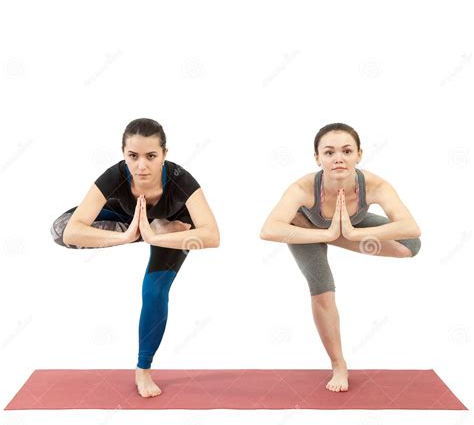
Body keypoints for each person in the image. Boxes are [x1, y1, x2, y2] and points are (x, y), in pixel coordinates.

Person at [50, 118, 220, 398]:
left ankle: (143, 370)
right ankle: (143, 229)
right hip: (127, 221)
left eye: (151, 156)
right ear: (123, 155)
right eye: (133, 156)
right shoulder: (114, 177)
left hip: (174, 231)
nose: (142, 166)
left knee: (154, 293)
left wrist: (156, 238)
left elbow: (212, 236)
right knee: (59, 229)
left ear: (164, 154)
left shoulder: (181, 181)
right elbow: (71, 232)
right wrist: (129, 236)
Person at [260, 123, 421, 392]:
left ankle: (336, 234)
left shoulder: (373, 184)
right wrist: (326, 232)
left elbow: (411, 228)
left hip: (346, 227)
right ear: (317, 158)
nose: (338, 158)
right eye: (329, 152)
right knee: (323, 292)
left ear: (359, 154)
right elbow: (269, 230)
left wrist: (350, 233)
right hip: (304, 231)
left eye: (347, 151)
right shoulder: (303, 188)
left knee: (410, 246)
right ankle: (338, 365)